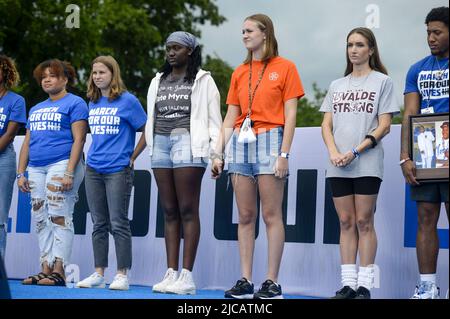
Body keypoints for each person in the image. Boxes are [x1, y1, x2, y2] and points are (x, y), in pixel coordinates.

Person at [211, 14, 304, 299]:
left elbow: (290, 115)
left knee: (271, 214)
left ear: (265, 34)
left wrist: (284, 153)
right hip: (240, 140)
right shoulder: (240, 71)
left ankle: (272, 282)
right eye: (242, 31)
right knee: (245, 215)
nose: (244, 35)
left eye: (249, 30)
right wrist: (218, 152)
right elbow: (231, 115)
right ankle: (245, 280)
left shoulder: (286, 67)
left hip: (271, 138)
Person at [320, 27, 399, 299]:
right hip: (337, 163)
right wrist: (333, 152)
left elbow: (385, 125)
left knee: (364, 221)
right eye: (350, 45)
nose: (353, 50)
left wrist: (355, 151)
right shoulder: (336, 85)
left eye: (360, 45)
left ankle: (364, 285)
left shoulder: (382, 82)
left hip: (366, 162)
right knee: (345, 221)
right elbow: (326, 124)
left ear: (371, 50)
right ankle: (348, 285)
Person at [144, 31, 222, 295]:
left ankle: (187, 277)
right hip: (161, 144)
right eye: (168, 48)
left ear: (189, 50)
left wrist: (216, 154)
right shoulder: (157, 80)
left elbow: (214, 120)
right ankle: (171, 273)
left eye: (176, 48)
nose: (170, 52)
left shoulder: (204, 80)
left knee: (188, 208)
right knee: (169, 210)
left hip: (189, 143)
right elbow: (151, 116)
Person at [76, 56, 147, 291]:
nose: (97, 77)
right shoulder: (92, 102)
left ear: (113, 74)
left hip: (118, 169)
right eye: (94, 73)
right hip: (94, 168)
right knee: (98, 223)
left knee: (119, 223)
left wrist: (133, 156)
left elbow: (148, 130)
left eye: (102, 73)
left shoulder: (128, 101)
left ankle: (121, 274)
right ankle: (99, 273)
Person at [17, 59, 88, 286]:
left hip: (62, 163)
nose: (47, 79)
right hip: (36, 167)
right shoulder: (36, 108)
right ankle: (45, 268)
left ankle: (59, 270)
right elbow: (27, 143)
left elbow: (79, 139)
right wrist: (21, 173)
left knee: (59, 215)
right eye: (43, 77)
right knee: (40, 217)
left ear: (65, 79)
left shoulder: (75, 103)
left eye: (53, 75)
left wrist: (69, 172)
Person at [400, 6, 449, 299]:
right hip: (427, 152)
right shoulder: (417, 68)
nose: (430, 38)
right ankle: (428, 286)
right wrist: (406, 156)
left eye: (437, 32)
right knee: (426, 218)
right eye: (428, 33)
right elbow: (409, 114)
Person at [0, 55, 26, 260]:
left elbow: (10, 135)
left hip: (4, 158)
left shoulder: (16, 100)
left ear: (5, 72)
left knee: (0, 215)